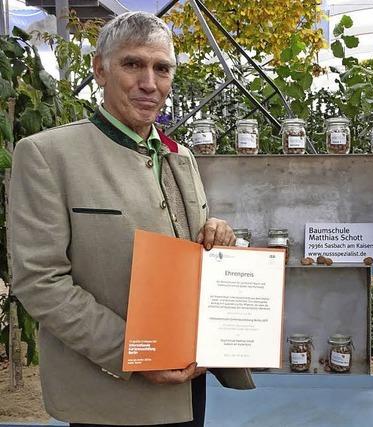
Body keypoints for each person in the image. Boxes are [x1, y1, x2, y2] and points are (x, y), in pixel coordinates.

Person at [9, 11, 253, 426]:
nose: (150, 83)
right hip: (111, 397)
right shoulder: (48, 155)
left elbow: (190, 244)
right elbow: (39, 281)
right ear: (100, 69)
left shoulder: (180, 156)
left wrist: (219, 235)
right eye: (133, 64)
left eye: (162, 68)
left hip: (189, 383)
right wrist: (134, 352)